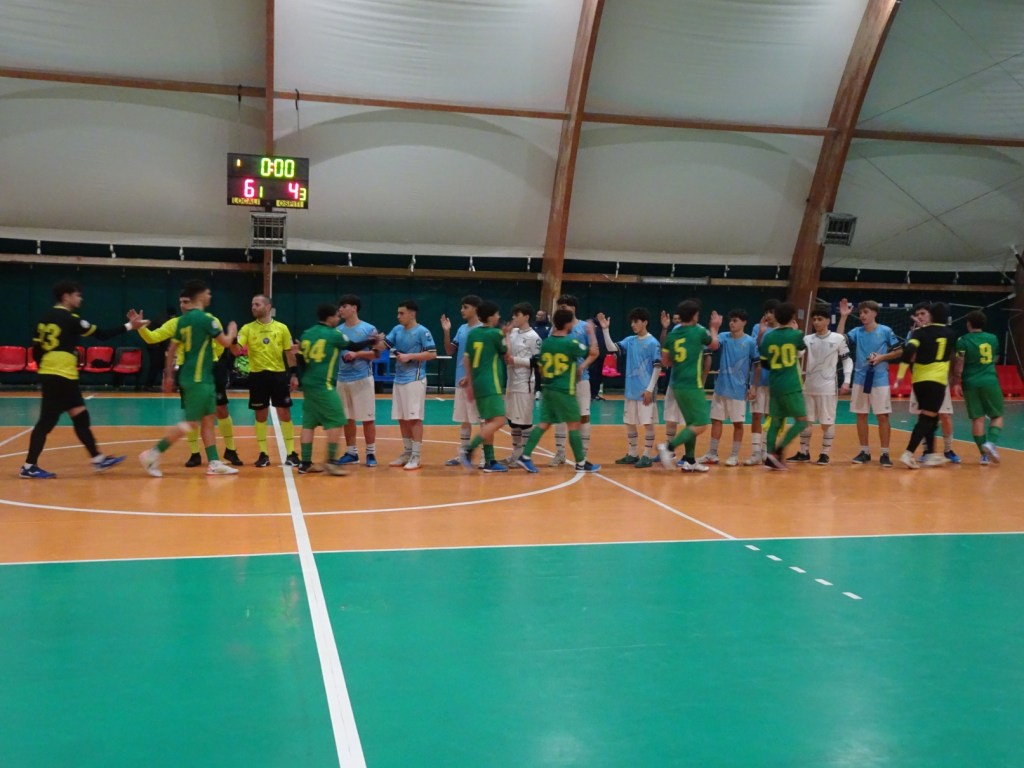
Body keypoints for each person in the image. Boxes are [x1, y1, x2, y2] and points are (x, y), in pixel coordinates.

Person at [20, 280, 147, 479]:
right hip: (60, 375)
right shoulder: (70, 319)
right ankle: (29, 466)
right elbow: (102, 335)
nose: (80, 299)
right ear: (66, 297)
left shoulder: (44, 318)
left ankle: (97, 459)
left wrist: (46, 367)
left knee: (80, 416)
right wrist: (131, 325)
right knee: (46, 421)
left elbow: (36, 349)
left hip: (57, 374)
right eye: (77, 295)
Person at [139, 280, 238, 477]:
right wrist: (233, 330)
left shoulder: (182, 322)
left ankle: (214, 462)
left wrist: (169, 375)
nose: (210, 297)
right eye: (207, 293)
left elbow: (171, 350)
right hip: (198, 378)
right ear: (199, 297)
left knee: (208, 419)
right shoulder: (207, 320)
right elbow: (226, 342)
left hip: (195, 376)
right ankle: (152, 454)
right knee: (191, 422)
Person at [296, 303, 379, 475]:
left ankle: (305, 463)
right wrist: (373, 341)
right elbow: (354, 346)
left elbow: (300, 359)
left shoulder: (307, 333)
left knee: (308, 424)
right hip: (324, 384)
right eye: (336, 316)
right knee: (338, 420)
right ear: (329, 318)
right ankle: (332, 462)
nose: (338, 318)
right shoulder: (334, 334)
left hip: (308, 384)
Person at [515, 309, 601, 474]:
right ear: (568, 324)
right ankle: (581, 462)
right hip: (564, 390)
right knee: (574, 424)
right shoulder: (570, 343)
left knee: (544, 423)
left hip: (547, 389)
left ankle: (525, 456)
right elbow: (594, 352)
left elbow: (540, 368)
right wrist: (591, 334)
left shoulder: (547, 343)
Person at [232, 294, 299, 468]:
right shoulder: (247, 328)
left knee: (285, 413)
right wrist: (231, 339)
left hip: (278, 375)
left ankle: (291, 453)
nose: (253, 307)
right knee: (260, 415)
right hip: (257, 376)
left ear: (268, 307)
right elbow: (236, 350)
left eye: (257, 304)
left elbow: (289, 353)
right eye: (252, 304)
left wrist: (294, 374)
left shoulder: (282, 328)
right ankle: (263, 454)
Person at [656, 299, 721, 472]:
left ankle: (690, 461)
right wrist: (714, 328)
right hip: (692, 384)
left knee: (691, 423)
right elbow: (714, 345)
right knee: (701, 424)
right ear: (694, 316)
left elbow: (666, 362)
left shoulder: (672, 335)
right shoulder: (698, 331)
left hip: (676, 384)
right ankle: (668, 448)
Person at [788, 303, 852, 465]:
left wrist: (847, 381)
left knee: (827, 422)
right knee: (805, 421)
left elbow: (847, 360)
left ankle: (825, 454)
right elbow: (796, 354)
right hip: (808, 387)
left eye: (820, 319)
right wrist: (794, 335)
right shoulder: (807, 339)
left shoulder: (838, 339)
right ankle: (804, 452)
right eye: (814, 319)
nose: (816, 322)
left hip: (827, 388)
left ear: (828, 321)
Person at [598, 308, 662, 467]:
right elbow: (612, 348)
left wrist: (650, 389)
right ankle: (633, 453)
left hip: (645, 391)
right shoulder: (630, 340)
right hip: (631, 390)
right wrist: (605, 330)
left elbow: (657, 367)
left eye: (636, 321)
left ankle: (647, 455)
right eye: (632, 322)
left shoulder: (653, 343)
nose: (633, 324)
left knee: (648, 423)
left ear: (645, 322)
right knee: (630, 422)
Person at [896, 302, 957, 469]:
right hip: (936, 381)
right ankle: (908, 453)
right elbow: (957, 355)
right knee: (927, 418)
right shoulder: (951, 334)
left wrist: (900, 375)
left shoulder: (918, 333)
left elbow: (908, 351)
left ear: (931, 315)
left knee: (931, 417)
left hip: (918, 380)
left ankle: (930, 454)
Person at [698, 309, 759, 467]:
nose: (732, 323)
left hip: (738, 390)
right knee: (716, 420)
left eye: (735, 320)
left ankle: (734, 455)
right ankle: (712, 453)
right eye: (730, 320)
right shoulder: (723, 337)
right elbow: (713, 345)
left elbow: (757, 365)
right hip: (720, 388)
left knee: (737, 423)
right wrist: (714, 328)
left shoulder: (750, 342)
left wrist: (753, 387)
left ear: (744, 322)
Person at [845, 299, 902, 467]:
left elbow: (899, 351)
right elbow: (839, 340)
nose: (862, 315)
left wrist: (882, 357)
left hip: (879, 379)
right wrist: (843, 317)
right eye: (861, 312)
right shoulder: (857, 332)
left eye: (866, 312)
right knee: (861, 415)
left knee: (882, 416)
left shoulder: (885, 331)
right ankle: (864, 451)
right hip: (860, 379)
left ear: (875, 313)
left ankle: (885, 453)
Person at [383, 300, 437, 470]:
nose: (398, 316)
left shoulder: (423, 332)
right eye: (398, 313)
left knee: (414, 418)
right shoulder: (396, 330)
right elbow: (383, 345)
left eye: (402, 313)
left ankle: (416, 456)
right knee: (401, 418)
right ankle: (407, 452)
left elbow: (432, 354)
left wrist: (410, 356)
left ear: (412, 314)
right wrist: (375, 340)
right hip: (398, 379)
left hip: (415, 379)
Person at [458, 301, 510, 472]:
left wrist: (469, 381)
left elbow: (467, 359)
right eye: (497, 314)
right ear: (490, 317)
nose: (499, 317)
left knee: (488, 422)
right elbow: (507, 356)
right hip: (491, 382)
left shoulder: (473, 333)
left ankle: (490, 461)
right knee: (499, 420)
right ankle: (469, 448)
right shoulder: (496, 334)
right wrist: (506, 336)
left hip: (478, 382)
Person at [759, 302, 809, 470]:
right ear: (792, 317)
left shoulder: (768, 337)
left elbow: (765, 364)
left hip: (775, 384)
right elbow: (802, 349)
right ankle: (778, 451)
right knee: (802, 421)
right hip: (791, 385)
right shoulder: (796, 335)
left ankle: (769, 457)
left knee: (775, 421)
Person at [551, 295, 599, 465]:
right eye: (560, 307)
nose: (562, 310)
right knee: (560, 416)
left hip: (581, 379)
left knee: (584, 416)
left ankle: (583, 455)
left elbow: (594, 351)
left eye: (565, 307)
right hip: (562, 380)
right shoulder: (555, 328)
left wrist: (582, 366)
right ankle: (560, 453)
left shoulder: (584, 327)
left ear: (574, 308)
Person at [333, 294, 381, 467]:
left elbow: (376, 354)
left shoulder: (369, 329)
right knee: (347, 418)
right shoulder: (338, 330)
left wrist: (357, 354)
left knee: (367, 418)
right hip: (342, 379)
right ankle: (351, 452)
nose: (340, 309)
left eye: (344, 306)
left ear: (354, 308)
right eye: (340, 306)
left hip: (362, 379)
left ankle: (371, 453)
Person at [951, 310, 1003, 465]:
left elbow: (959, 363)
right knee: (997, 416)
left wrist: (957, 382)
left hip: (970, 382)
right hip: (990, 380)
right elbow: (995, 357)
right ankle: (991, 443)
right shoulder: (993, 338)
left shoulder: (962, 340)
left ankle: (984, 455)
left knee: (977, 419)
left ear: (968, 323)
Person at [441, 295, 482, 466]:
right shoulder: (462, 329)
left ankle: (485, 457)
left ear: (475, 309)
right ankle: (464, 454)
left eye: (465, 307)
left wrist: (473, 376)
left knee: (481, 419)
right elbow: (450, 350)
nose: (461, 310)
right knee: (464, 419)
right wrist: (446, 331)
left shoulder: (482, 330)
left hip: (476, 381)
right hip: (460, 379)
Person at [503, 302, 541, 466]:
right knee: (512, 422)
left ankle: (525, 456)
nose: (513, 317)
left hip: (524, 384)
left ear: (526, 316)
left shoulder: (534, 337)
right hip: (511, 382)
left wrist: (516, 360)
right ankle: (515, 454)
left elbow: (538, 362)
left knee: (524, 422)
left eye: (517, 315)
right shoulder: (512, 333)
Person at [746, 299, 780, 465]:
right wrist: (760, 333)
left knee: (770, 416)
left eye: (771, 312)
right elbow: (755, 349)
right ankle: (755, 453)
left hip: (775, 380)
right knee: (756, 415)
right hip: (758, 379)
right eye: (766, 312)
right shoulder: (757, 328)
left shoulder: (783, 330)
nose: (768, 315)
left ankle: (767, 451)